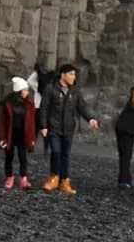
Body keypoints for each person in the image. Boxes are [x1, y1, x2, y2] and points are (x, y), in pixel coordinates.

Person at [39, 64, 99, 195]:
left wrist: (91, 118)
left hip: (68, 128)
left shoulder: (75, 91)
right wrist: (43, 126)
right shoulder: (51, 88)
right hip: (54, 127)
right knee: (56, 151)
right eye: (71, 74)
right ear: (63, 74)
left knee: (65, 155)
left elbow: (82, 106)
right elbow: (44, 108)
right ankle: (53, 177)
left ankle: (64, 181)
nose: (73, 77)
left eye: (74, 74)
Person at [0, 76, 37, 190]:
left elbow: (32, 124)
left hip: (23, 135)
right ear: (19, 91)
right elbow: (3, 123)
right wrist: (1, 138)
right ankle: (9, 177)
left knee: (22, 156)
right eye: (25, 90)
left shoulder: (29, 105)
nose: (27, 92)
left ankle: (24, 178)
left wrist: (32, 138)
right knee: (9, 156)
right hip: (10, 134)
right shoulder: (7, 104)